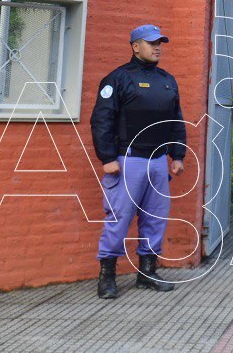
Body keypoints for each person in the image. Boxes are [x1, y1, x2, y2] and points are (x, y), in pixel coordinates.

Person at [90, 23, 187, 298]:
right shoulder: (117, 79)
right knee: (119, 218)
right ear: (135, 46)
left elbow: (175, 120)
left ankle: (147, 273)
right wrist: (107, 157)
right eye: (152, 42)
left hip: (157, 162)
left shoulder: (168, 80)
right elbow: (101, 120)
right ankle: (107, 276)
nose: (158, 47)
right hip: (127, 160)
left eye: (161, 43)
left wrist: (177, 154)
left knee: (155, 218)